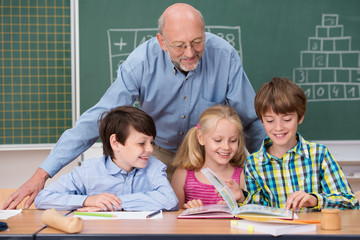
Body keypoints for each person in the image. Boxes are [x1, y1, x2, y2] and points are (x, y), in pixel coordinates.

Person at [2, 3, 266, 210]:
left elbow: (251, 121)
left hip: (204, 156)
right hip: (157, 153)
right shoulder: (140, 63)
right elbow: (99, 118)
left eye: (197, 42)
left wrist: (266, 169)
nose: (190, 52)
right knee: (160, 217)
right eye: (179, 45)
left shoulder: (224, 56)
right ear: (162, 42)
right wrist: (42, 174)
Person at [244, 77, 359, 210]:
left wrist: (315, 200)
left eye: (287, 119)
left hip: (315, 230)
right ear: (262, 121)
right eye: (270, 120)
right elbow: (257, 210)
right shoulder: (253, 164)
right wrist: (242, 197)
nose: (278, 127)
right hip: (276, 231)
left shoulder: (319, 155)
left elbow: (351, 202)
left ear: (300, 117)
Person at [34, 106, 178, 211]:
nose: (150, 149)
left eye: (151, 142)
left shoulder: (153, 167)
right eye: (142, 143)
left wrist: (112, 203)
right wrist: (88, 200)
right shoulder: (88, 171)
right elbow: (43, 198)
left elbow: (170, 201)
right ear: (116, 143)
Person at [171, 105, 247, 209]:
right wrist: (187, 211)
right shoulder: (182, 175)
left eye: (233, 140)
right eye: (218, 140)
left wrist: (240, 200)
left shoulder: (242, 175)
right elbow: (173, 218)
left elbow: (249, 215)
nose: (226, 147)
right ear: (201, 138)